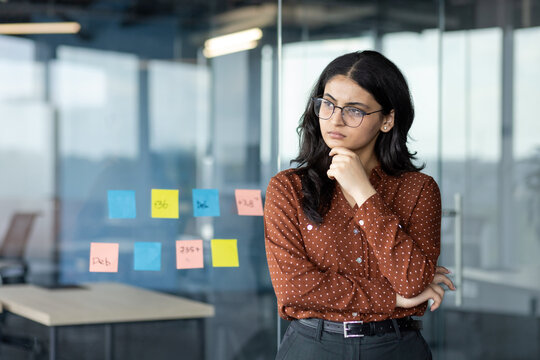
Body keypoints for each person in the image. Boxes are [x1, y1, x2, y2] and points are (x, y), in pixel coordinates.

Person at [263, 50, 455, 360]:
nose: (335, 119)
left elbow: (413, 281)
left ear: (387, 119)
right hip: (313, 346)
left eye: (354, 110)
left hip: (395, 346)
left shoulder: (418, 189)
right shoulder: (288, 188)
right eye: (327, 104)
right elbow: (294, 289)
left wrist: (364, 193)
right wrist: (392, 296)